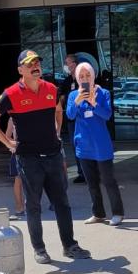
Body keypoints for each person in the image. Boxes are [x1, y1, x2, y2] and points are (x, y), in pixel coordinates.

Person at [0, 50, 90, 265]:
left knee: (62, 204)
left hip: (53, 155)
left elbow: (58, 111)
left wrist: (57, 132)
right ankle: (39, 249)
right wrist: (7, 142)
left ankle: (70, 246)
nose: (35, 66)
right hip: (29, 159)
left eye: (37, 62)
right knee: (33, 206)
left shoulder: (51, 89)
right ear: (21, 70)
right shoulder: (11, 93)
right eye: (29, 63)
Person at [66, 62, 125, 225]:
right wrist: (78, 100)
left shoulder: (103, 93)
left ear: (93, 75)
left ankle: (118, 213)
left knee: (109, 180)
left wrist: (94, 103)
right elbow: (70, 115)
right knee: (91, 183)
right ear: (77, 78)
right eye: (81, 76)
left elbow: (106, 115)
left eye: (88, 75)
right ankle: (98, 213)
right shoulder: (73, 95)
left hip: (101, 145)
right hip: (83, 146)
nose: (85, 79)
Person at [57, 54, 84, 184]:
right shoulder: (67, 81)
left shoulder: (83, 78)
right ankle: (81, 173)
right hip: (72, 119)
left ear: (74, 63)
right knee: (75, 145)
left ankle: (91, 172)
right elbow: (61, 98)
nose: (66, 66)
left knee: (87, 144)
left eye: (68, 63)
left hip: (85, 118)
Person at [5, 117, 24, 219]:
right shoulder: (12, 119)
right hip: (19, 152)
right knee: (18, 180)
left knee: (34, 180)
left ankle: (32, 206)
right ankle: (19, 207)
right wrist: (15, 144)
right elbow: (7, 136)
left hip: (33, 151)